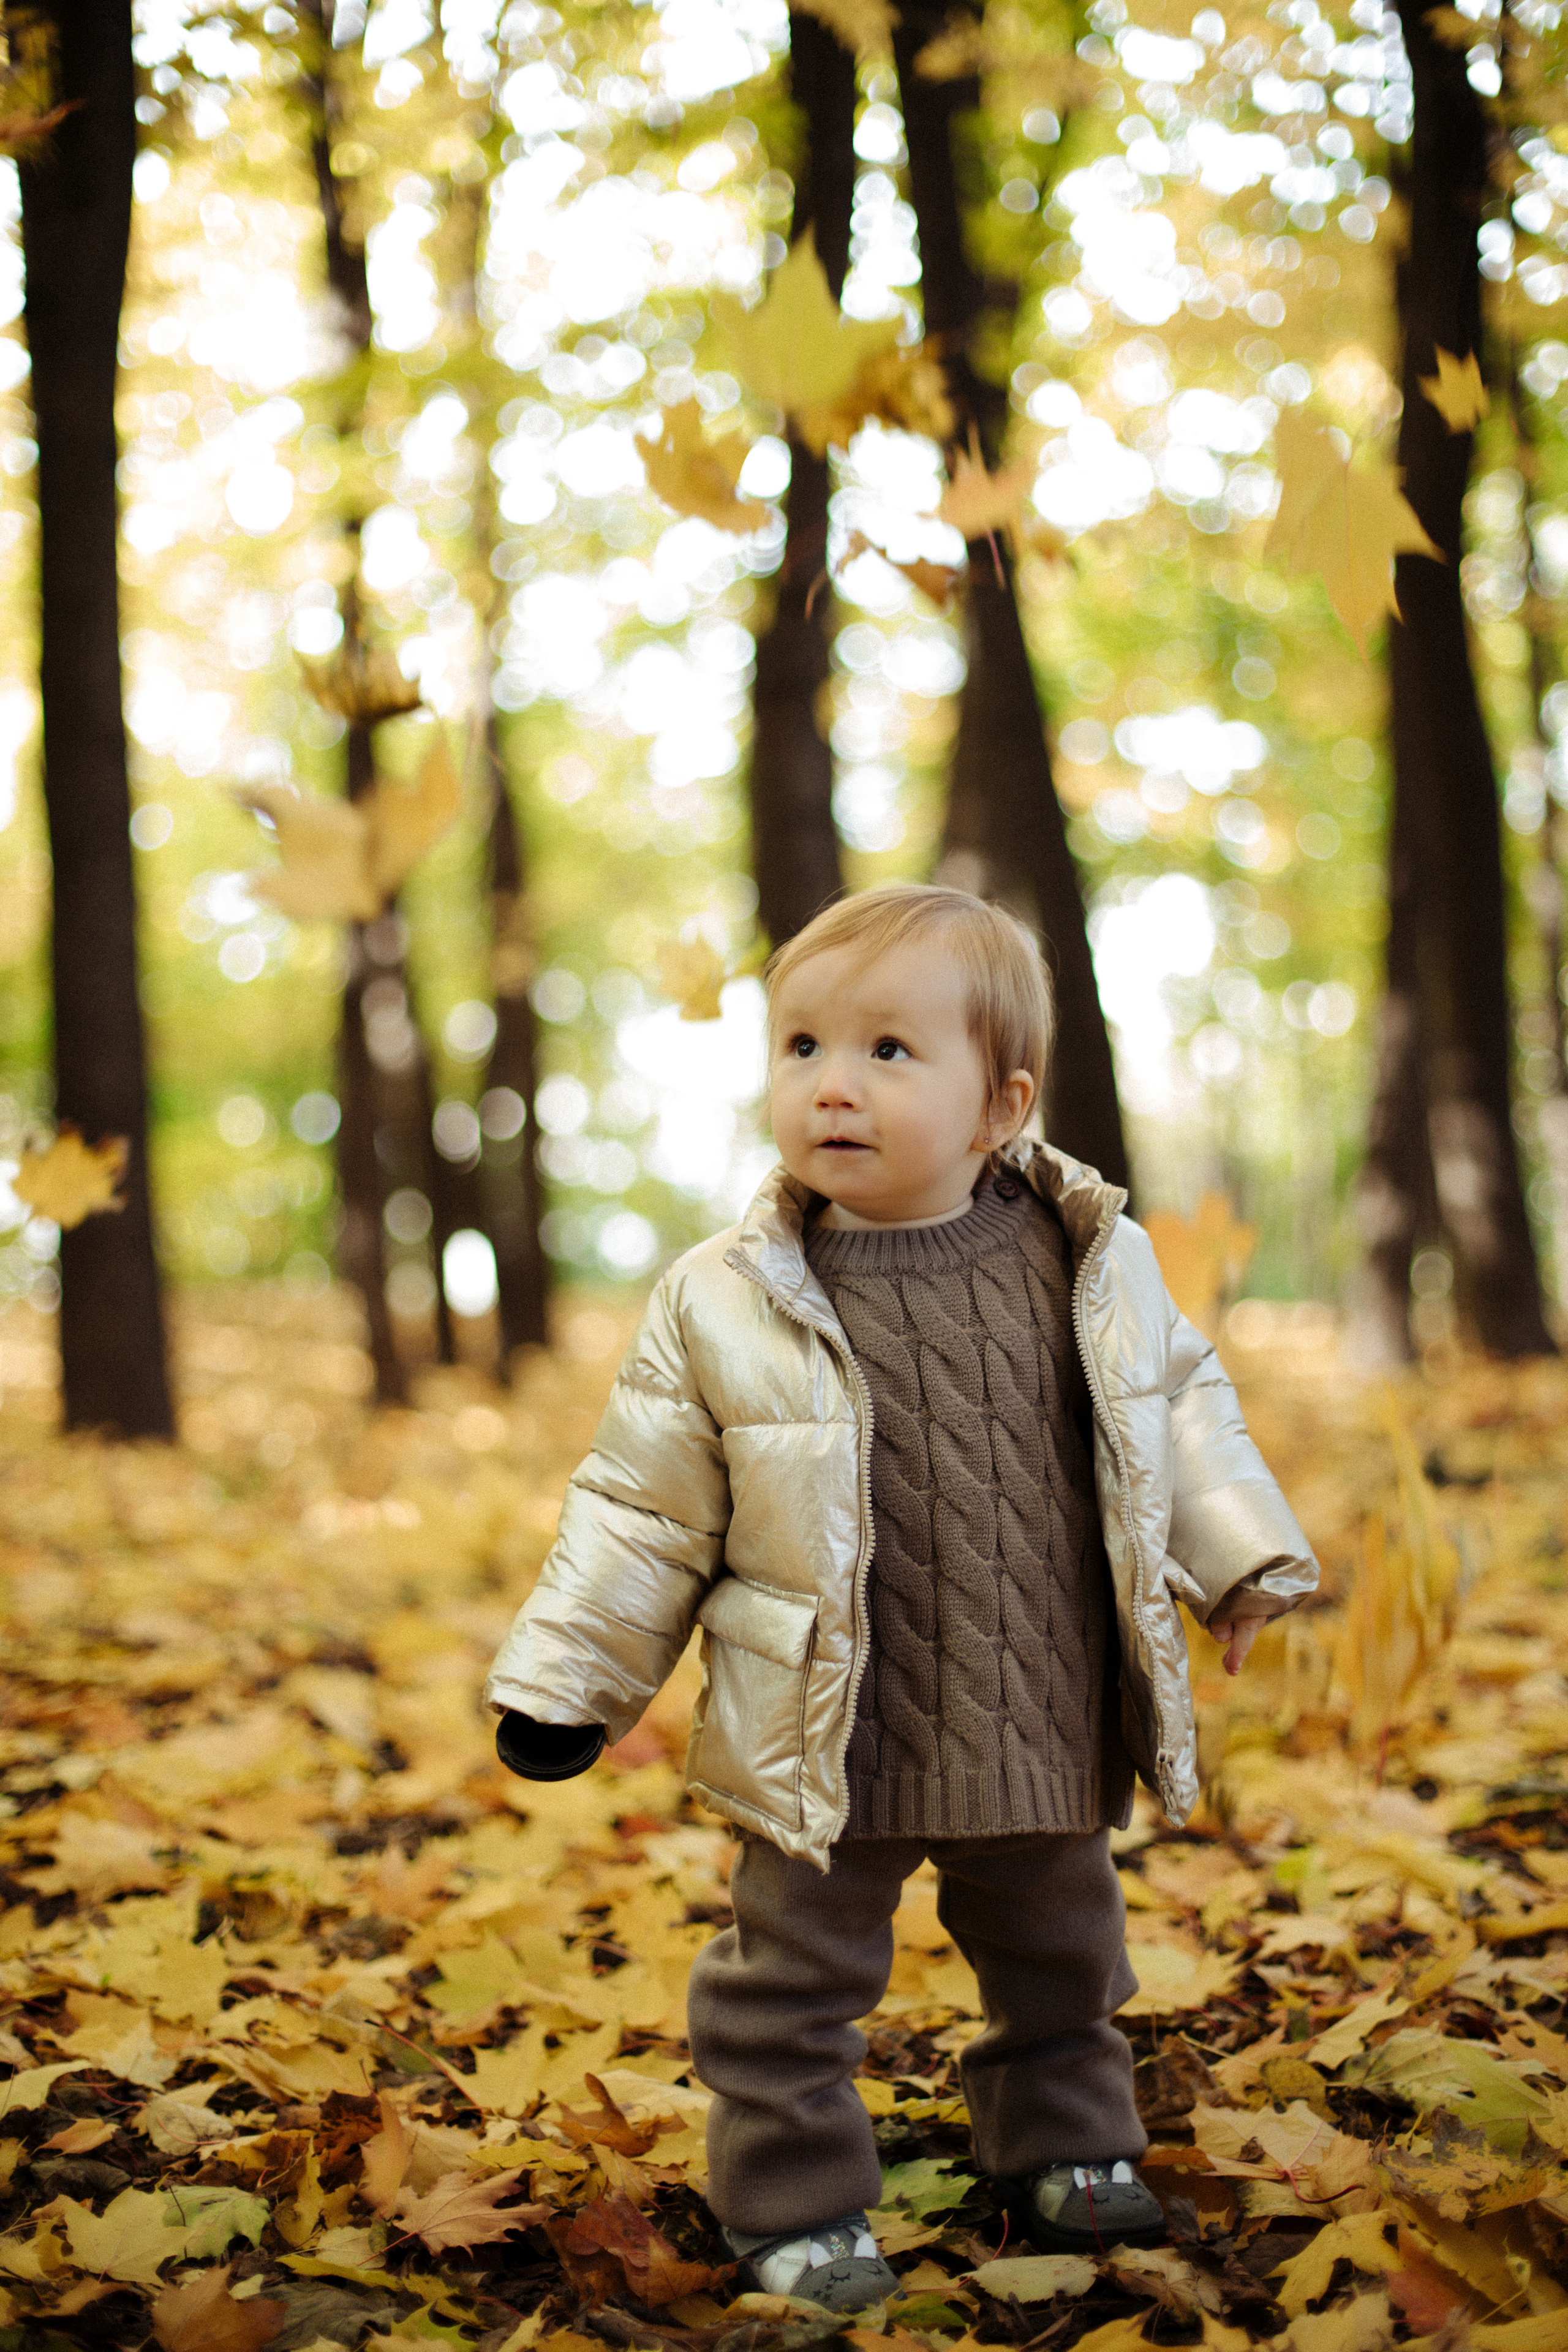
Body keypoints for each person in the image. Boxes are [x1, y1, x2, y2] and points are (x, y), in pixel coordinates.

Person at [485, 883, 1317, 2312]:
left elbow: (1176, 1411)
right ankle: (795, 2202)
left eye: (886, 1050)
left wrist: (1239, 1556)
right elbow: (641, 1507)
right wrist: (569, 1684)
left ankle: (1064, 2143)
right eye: (802, 1045)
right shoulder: (723, 1296)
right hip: (830, 1733)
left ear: (999, 1106)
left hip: (1036, 1701)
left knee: (1063, 1955)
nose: (833, 1084)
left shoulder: (1087, 1257)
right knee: (788, 1985)